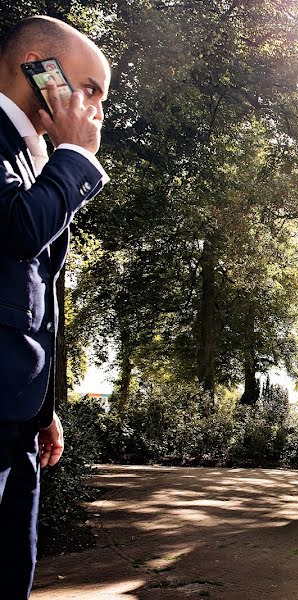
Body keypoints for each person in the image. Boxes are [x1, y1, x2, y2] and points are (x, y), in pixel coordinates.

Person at [0, 15, 110, 598]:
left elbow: (32, 293)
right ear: (38, 70)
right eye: (89, 89)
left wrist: (43, 408)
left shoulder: (30, 156)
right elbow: (15, 231)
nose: (96, 109)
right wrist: (73, 158)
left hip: (16, 417)